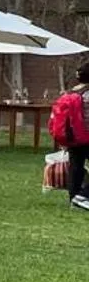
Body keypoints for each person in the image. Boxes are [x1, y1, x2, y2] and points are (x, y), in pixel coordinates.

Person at [51, 65, 89, 209]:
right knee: (77, 167)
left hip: (72, 137)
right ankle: (83, 196)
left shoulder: (70, 92)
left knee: (76, 167)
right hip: (86, 136)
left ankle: (74, 198)